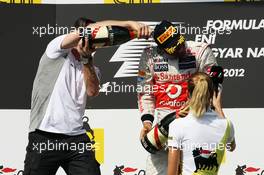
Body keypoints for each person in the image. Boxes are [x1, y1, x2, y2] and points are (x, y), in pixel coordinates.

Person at [24, 17, 151, 175]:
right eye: (93, 37)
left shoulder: (91, 67)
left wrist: (86, 59)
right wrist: (130, 24)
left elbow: (92, 92)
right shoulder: (56, 49)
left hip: (76, 138)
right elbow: (90, 32)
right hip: (44, 136)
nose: (94, 41)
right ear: (76, 35)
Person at [137, 20, 218, 175]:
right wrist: (147, 123)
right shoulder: (149, 56)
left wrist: (192, 109)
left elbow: (214, 86)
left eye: (181, 43)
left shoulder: (200, 51)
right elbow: (145, 92)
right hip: (163, 129)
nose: (181, 48)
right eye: (175, 48)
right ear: (161, 48)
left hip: (196, 124)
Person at [167, 72, 236, 175]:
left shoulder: (177, 125)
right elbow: (231, 146)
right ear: (211, 94)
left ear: (187, 94)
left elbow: (171, 173)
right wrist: (218, 108)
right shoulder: (227, 124)